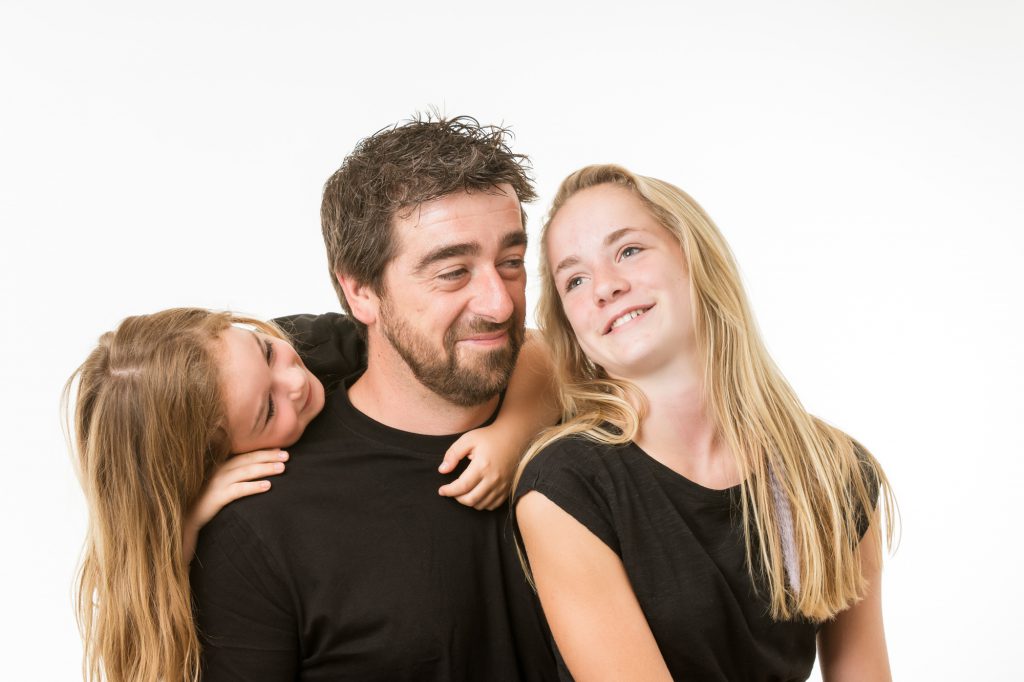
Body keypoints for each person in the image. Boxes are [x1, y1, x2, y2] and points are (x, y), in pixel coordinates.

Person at [189, 116, 559, 680]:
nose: (501, 304)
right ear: (360, 290)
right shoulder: (262, 521)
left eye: (510, 263)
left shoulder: (594, 429)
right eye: (453, 272)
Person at [514, 164, 897, 681]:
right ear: (572, 325)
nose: (604, 287)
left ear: (695, 258)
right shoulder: (564, 486)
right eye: (575, 279)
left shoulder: (834, 470)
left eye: (628, 250)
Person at [66, 307, 555, 682]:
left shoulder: (315, 343)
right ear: (217, 458)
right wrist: (187, 529)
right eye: (267, 410)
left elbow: (536, 346)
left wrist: (511, 434)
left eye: (265, 352)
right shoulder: (234, 539)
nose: (296, 381)